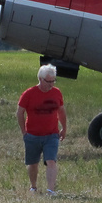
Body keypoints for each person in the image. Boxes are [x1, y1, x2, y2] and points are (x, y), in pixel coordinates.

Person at [17, 64, 67, 195]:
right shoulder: (29, 94)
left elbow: (61, 111)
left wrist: (64, 128)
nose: (51, 84)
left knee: (51, 161)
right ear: (40, 78)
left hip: (51, 134)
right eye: (48, 81)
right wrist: (24, 132)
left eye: (53, 81)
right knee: (33, 163)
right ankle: (33, 186)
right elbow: (20, 112)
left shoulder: (57, 93)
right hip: (32, 135)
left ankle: (50, 190)